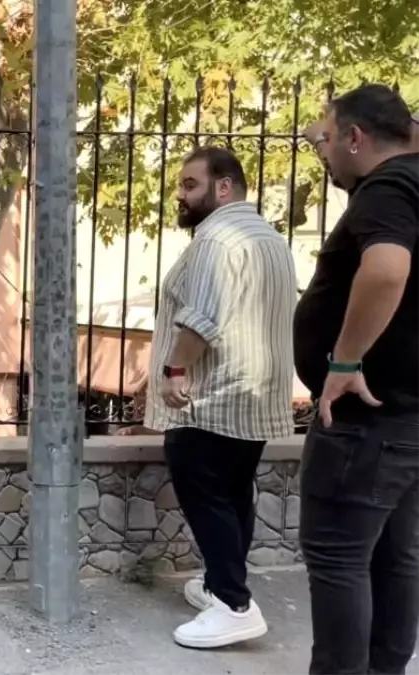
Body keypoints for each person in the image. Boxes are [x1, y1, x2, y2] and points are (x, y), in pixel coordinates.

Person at [144, 146, 296, 649]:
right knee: (233, 494)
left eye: (190, 185)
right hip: (255, 396)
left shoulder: (216, 238)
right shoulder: (269, 238)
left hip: (211, 396)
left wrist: (175, 370)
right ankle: (219, 585)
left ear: (224, 187)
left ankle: (233, 604)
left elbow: (201, 318)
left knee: (205, 491)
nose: (181, 195)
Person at [295, 84, 419, 675]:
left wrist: (344, 363)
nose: (321, 152)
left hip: (367, 421)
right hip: (407, 421)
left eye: (324, 139)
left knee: (339, 560)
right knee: (396, 558)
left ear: (355, 137)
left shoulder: (387, 188)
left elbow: (387, 270)